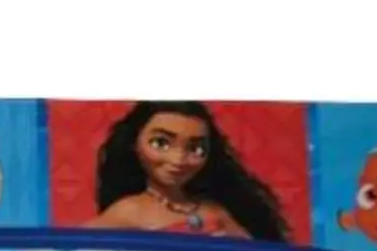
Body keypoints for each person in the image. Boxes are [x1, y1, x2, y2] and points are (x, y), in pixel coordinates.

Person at [87, 101, 289, 240]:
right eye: (161, 143)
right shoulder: (132, 210)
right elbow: (77, 247)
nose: (178, 160)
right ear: (134, 144)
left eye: (195, 149)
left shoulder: (214, 211)